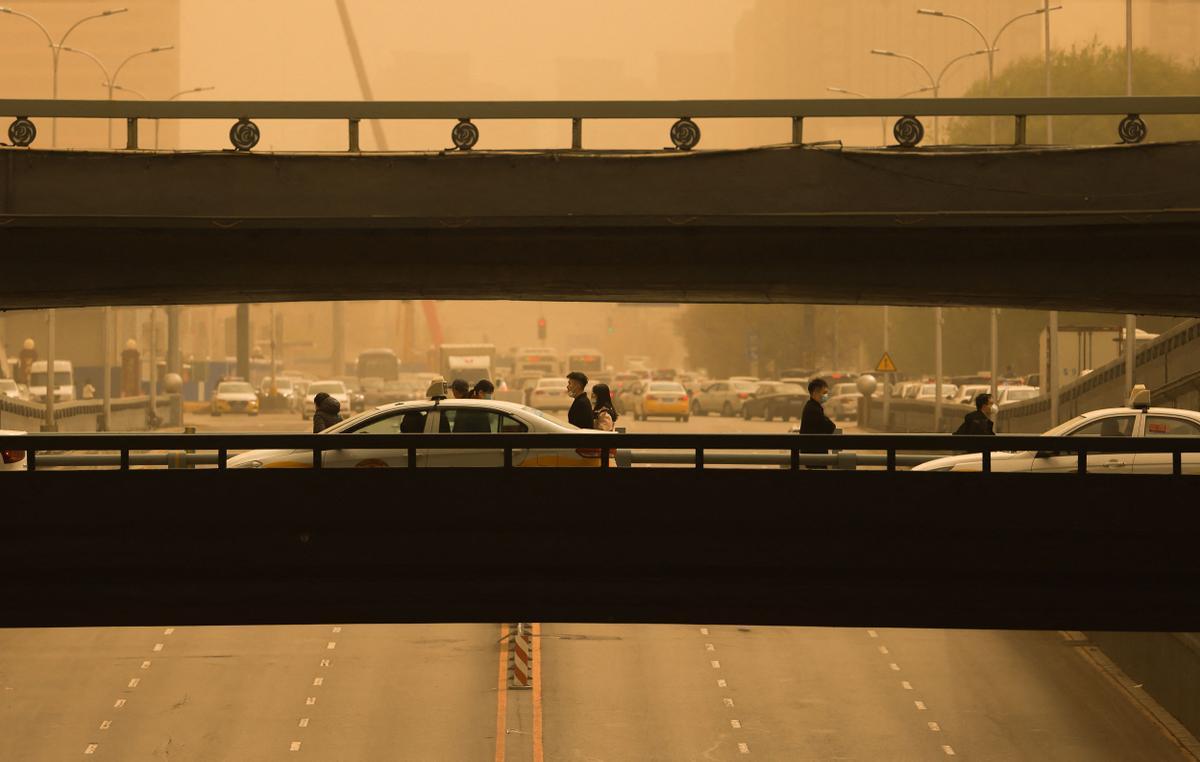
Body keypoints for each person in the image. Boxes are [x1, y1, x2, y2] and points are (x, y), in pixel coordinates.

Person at [800, 378, 837, 466]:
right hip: (814, 454)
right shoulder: (813, 409)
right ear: (815, 392)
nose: (826, 395)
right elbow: (830, 427)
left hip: (813, 453)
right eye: (824, 393)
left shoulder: (812, 407)